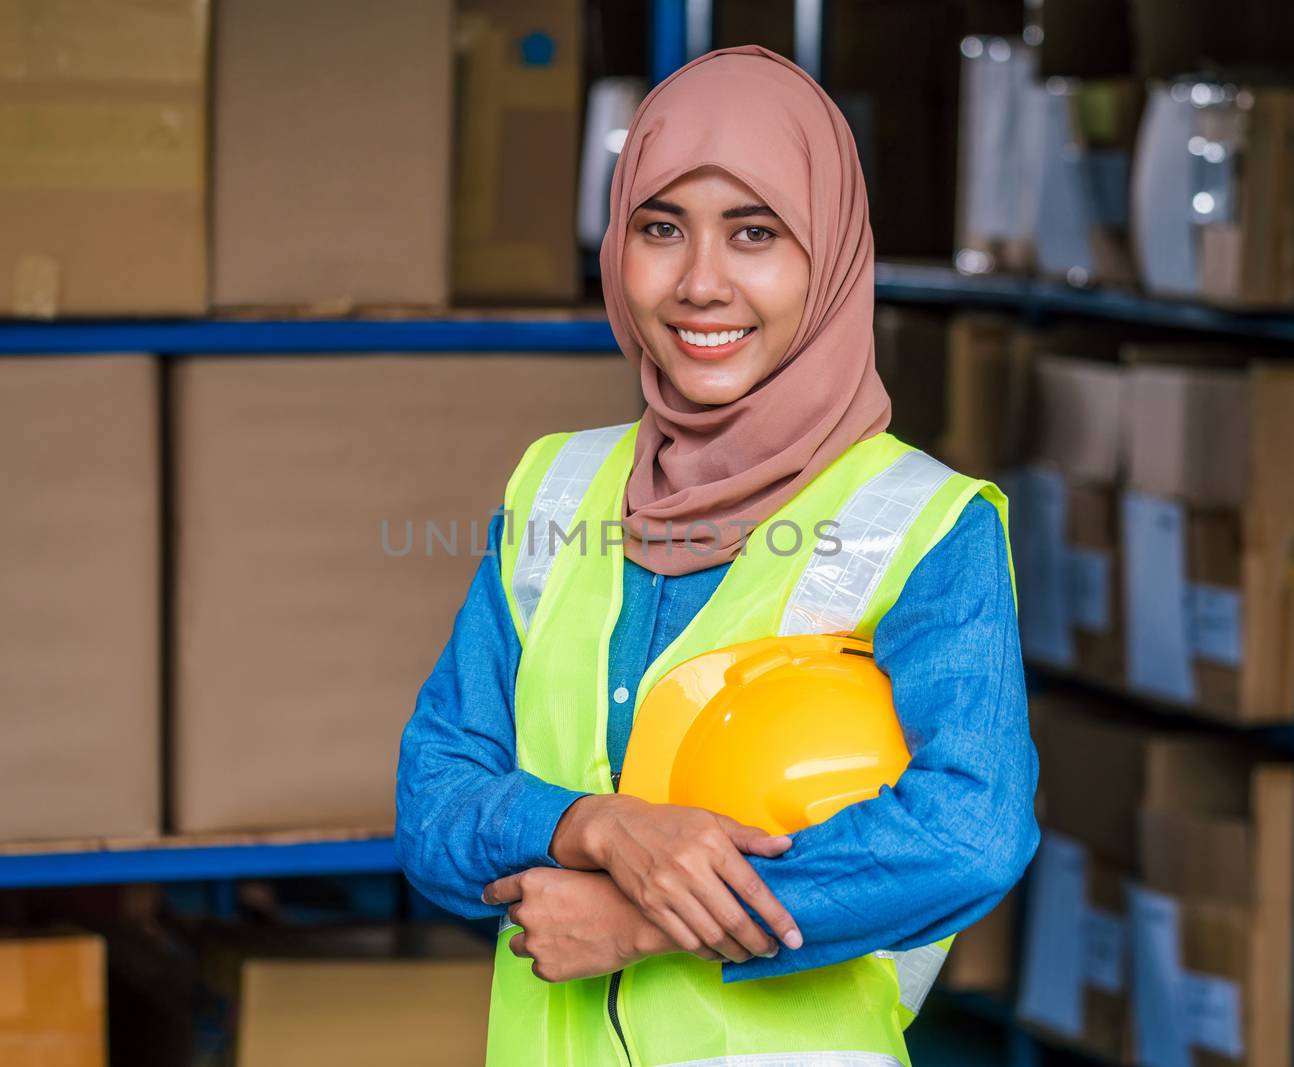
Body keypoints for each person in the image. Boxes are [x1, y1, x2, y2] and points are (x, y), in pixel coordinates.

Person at [396, 44, 1039, 1066]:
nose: (700, 283)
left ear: (826, 255)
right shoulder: (556, 488)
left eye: (754, 233)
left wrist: (650, 922)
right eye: (660, 229)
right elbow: (435, 796)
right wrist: (596, 826)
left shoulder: (924, 522)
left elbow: (972, 829)